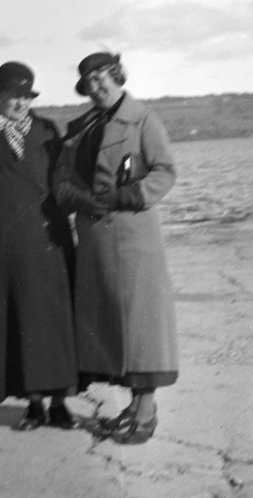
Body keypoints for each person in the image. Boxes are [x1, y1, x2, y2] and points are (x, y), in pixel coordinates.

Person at [53, 51, 179, 444]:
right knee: (113, 327)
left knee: (141, 327)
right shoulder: (80, 128)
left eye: (103, 77)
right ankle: (133, 406)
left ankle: (146, 410)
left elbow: (165, 172)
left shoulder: (143, 119)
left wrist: (126, 196)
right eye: (89, 82)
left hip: (134, 238)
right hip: (95, 242)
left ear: (118, 76)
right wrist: (79, 199)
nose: (97, 86)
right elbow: (62, 181)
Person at [0, 62, 79, 431]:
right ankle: (33, 404)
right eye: (14, 95)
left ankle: (60, 403)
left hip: (50, 244)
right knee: (19, 326)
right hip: (5, 248)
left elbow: (66, 184)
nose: (21, 102)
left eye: (27, 96)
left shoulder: (48, 132)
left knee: (58, 325)